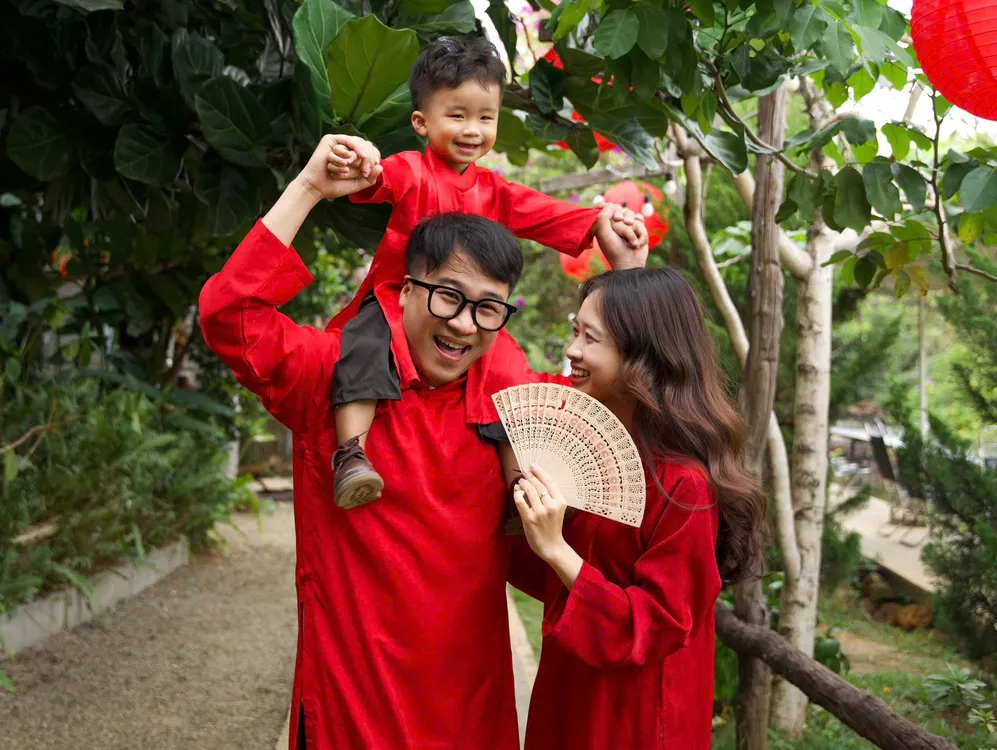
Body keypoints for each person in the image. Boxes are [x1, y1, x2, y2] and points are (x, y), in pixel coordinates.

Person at [198, 134, 643, 749]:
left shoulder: (520, 406)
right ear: (405, 291)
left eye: (488, 308)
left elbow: (621, 392)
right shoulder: (331, 378)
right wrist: (308, 187)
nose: (463, 323)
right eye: (448, 296)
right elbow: (229, 314)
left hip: (471, 717)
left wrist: (629, 276)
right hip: (352, 716)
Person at [321, 34, 647, 509]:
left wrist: (600, 221)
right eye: (457, 116)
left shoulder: (495, 190)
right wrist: (359, 159)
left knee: (509, 371)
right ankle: (352, 455)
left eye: (485, 117)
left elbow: (545, 212)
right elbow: (376, 177)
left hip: (473, 314)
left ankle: (519, 486)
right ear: (421, 122)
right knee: (364, 346)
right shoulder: (411, 170)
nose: (472, 130)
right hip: (397, 300)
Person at [506, 268, 768, 749]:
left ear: (642, 356)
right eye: (575, 330)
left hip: (639, 713)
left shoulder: (684, 485)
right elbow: (542, 577)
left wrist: (558, 550)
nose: (572, 349)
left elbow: (659, 622)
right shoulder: (596, 455)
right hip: (572, 688)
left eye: (590, 338)